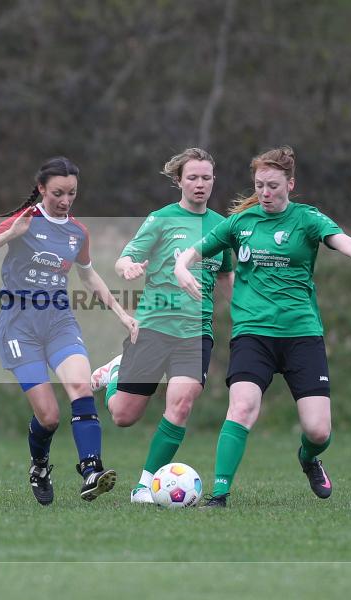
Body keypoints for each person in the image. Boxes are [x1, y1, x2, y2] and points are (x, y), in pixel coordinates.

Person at [174, 146, 351, 508]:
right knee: (242, 407)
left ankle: (309, 458)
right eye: (260, 185)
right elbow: (193, 251)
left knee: (318, 430)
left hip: (301, 334)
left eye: (273, 185)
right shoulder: (240, 224)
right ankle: (220, 494)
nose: (265, 192)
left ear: (290, 184)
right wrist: (182, 267)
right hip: (252, 333)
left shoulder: (308, 220)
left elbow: (347, 244)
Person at [0, 157, 138, 505]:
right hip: (19, 326)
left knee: (79, 387)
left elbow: (88, 275)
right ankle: (40, 465)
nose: (65, 200)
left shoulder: (77, 232)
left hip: (59, 322)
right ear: (42, 189)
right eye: (58, 193)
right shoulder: (25, 221)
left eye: (71, 193)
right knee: (49, 417)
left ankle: (91, 469)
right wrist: (8, 236)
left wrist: (121, 312)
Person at [90, 148, 233, 504]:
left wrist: (245, 310)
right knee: (124, 416)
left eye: (206, 177)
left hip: (195, 332)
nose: (200, 184)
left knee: (181, 404)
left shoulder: (223, 226)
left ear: (214, 180)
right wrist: (129, 268)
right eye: (193, 178)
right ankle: (117, 369)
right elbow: (125, 258)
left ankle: (144, 485)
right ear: (179, 181)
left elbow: (229, 277)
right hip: (154, 326)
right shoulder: (161, 219)